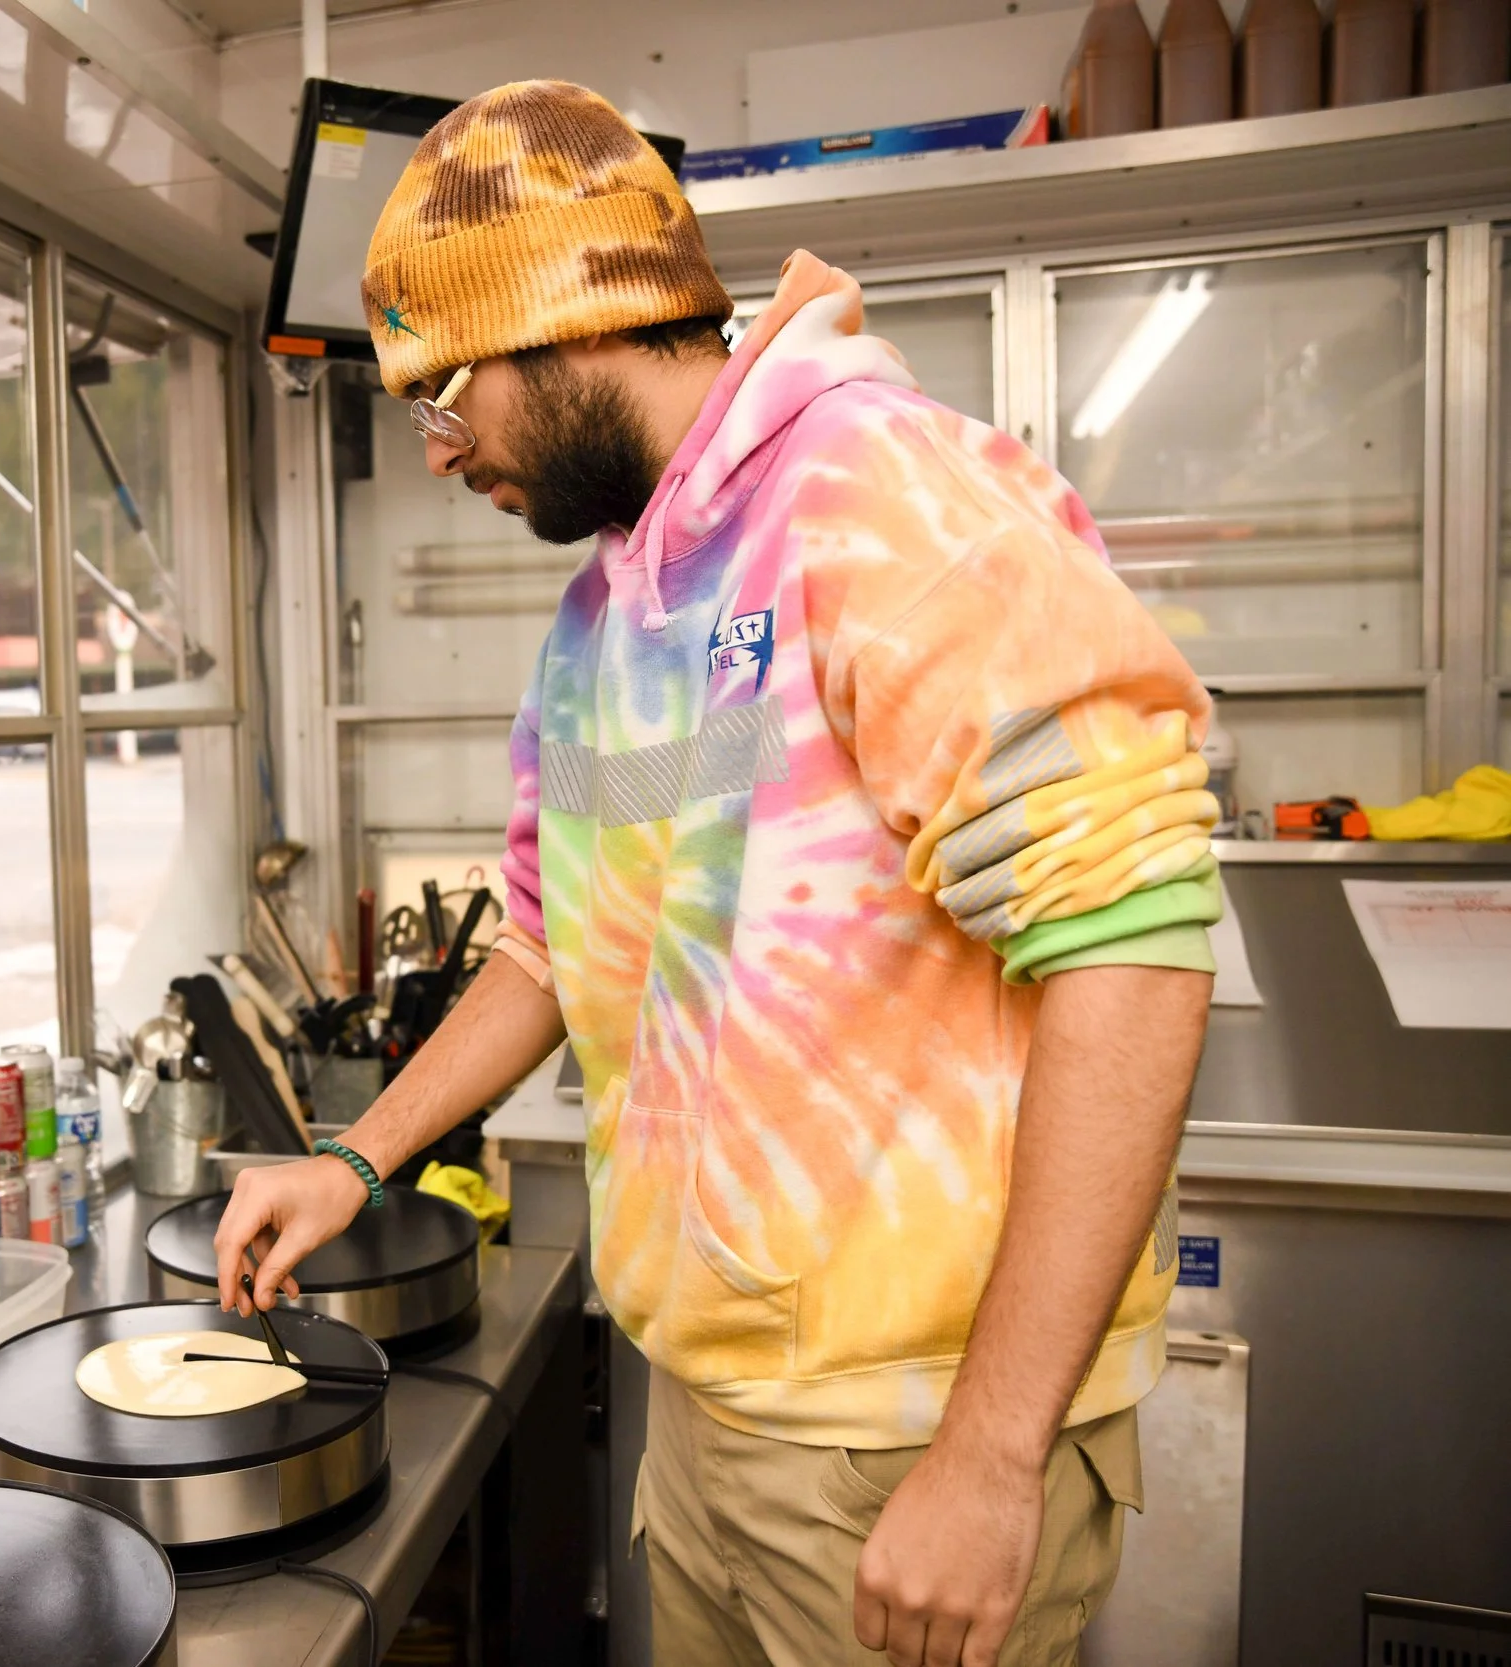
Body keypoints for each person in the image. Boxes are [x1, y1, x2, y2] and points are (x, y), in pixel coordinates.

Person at [213, 80, 1219, 1667]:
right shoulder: (617, 610)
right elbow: (549, 951)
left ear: (563, 320)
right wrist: (357, 1157)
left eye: (445, 394)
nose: (435, 451)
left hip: (906, 1440)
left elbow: (1138, 950)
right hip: (714, 1410)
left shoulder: (882, 494)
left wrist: (989, 1453)